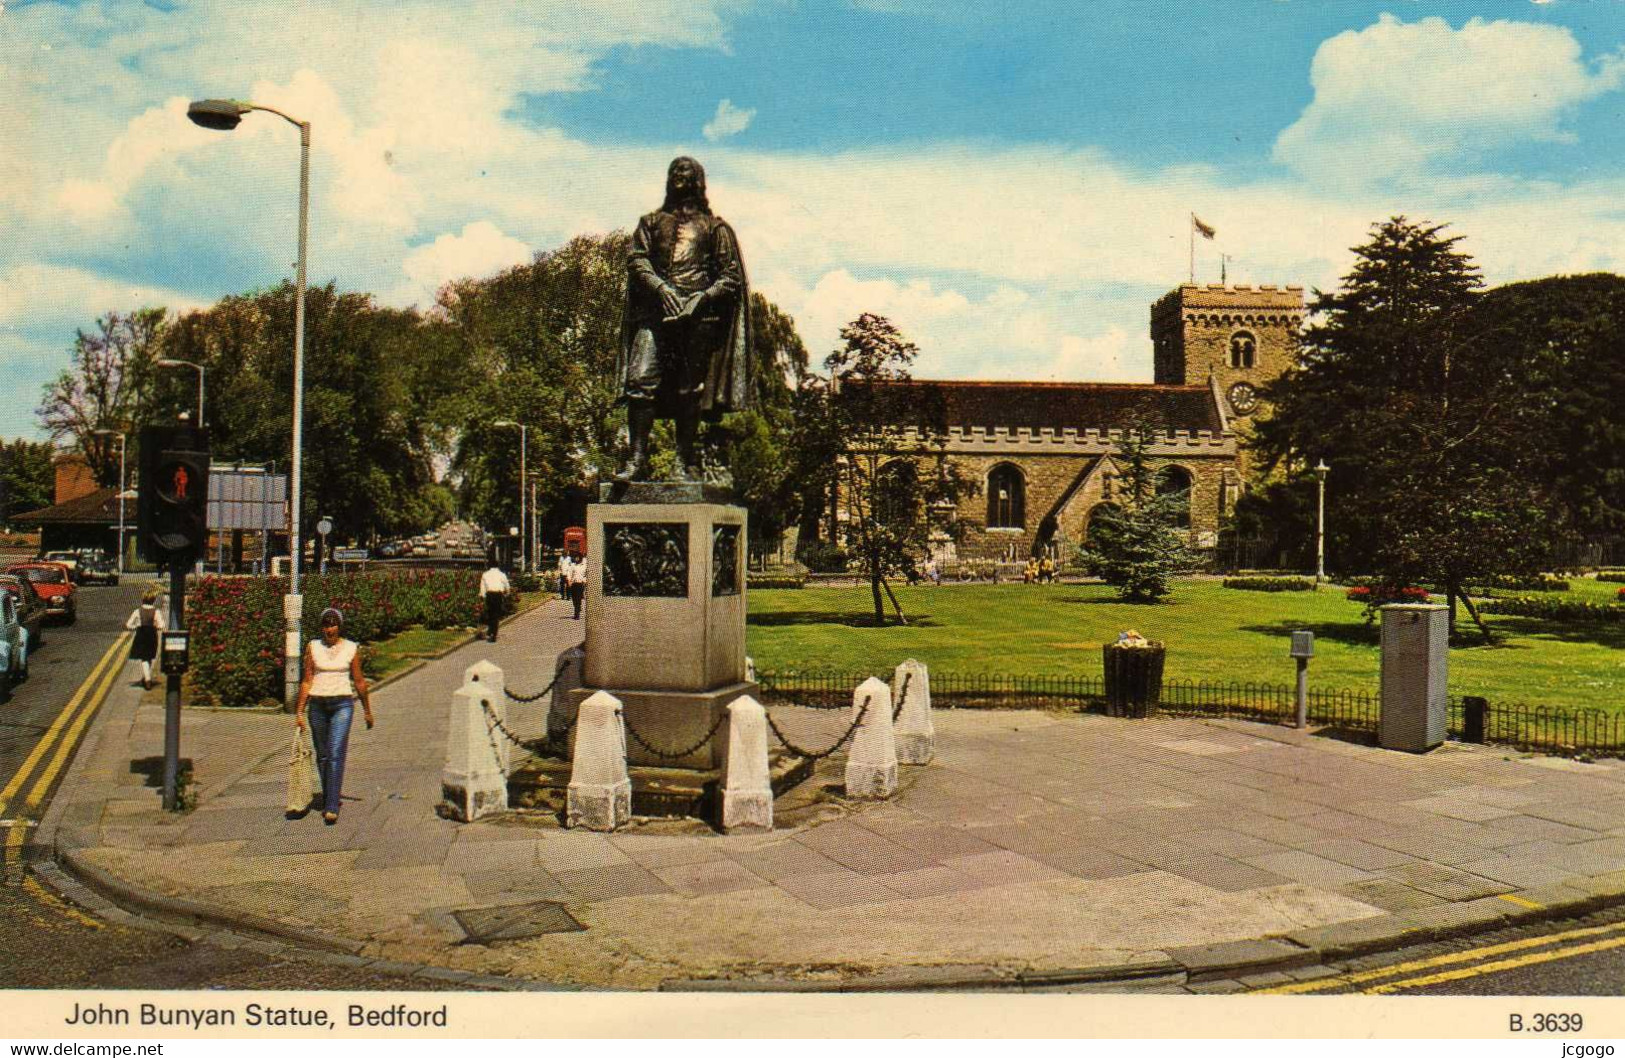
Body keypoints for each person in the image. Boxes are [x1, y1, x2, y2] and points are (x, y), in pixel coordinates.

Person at [615, 156, 752, 482]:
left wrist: (700, 300)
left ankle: (684, 461)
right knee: (638, 380)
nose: (678, 175)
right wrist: (660, 288)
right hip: (655, 317)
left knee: (690, 391)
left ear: (697, 181)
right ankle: (636, 459)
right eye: (674, 170)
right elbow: (636, 260)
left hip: (698, 320)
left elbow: (730, 276)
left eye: (685, 171)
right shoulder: (650, 223)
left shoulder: (715, 228)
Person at [294, 608, 373, 825]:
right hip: (318, 705)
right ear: (322, 628)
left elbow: (359, 681)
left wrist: (367, 710)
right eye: (326, 626)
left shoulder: (350, 648)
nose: (330, 630)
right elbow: (307, 680)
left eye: (334, 625)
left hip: (342, 705)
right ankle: (331, 793)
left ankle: (331, 805)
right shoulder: (313, 647)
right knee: (323, 755)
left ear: (340, 626)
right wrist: (300, 711)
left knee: (336, 751)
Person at [124, 590, 166, 690]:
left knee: (144, 657)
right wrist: (156, 626)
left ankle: (146, 679)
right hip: (152, 634)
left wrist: (135, 627)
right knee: (149, 656)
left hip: (141, 634)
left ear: (143, 600)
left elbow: (128, 624)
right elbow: (161, 625)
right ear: (153, 600)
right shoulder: (156, 611)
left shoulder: (137, 611)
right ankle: (147, 678)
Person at [480, 560, 511, 643]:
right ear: (498, 566)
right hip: (498, 595)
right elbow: (507, 585)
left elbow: (483, 588)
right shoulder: (501, 574)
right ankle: (493, 633)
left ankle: (491, 631)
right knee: (496, 614)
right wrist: (507, 593)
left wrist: (483, 596)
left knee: (490, 613)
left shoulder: (485, 575)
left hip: (489, 595)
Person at [563, 550, 587, 620]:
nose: (577, 559)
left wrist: (585, 580)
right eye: (575, 557)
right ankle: (577, 608)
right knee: (574, 599)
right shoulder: (573, 565)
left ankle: (577, 614)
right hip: (573, 584)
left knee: (578, 599)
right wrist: (569, 581)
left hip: (580, 584)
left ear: (580, 558)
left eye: (578, 557)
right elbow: (569, 573)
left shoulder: (584, 566)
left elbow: (586, 574)